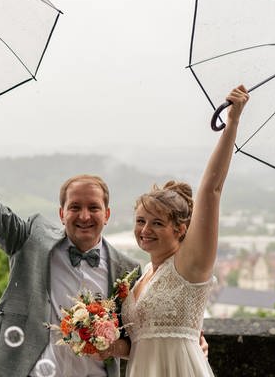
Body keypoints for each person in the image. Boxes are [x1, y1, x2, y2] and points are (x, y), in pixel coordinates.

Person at [0, 101, 141, 377]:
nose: (84, 215)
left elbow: (142, 338)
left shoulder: (128, 271)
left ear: (107, 214)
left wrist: (194, 341)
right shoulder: (31, 239)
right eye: (75, 207)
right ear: (62, 213)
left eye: (94, 208)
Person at [98, 85, 249, 376]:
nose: (145, 230)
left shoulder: (190, 265)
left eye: (157, 223)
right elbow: (143, 343)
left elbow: (212, 191)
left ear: (180, 229)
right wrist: (114, 347)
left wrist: (232, 122)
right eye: (141, 221)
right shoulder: (144, 274)